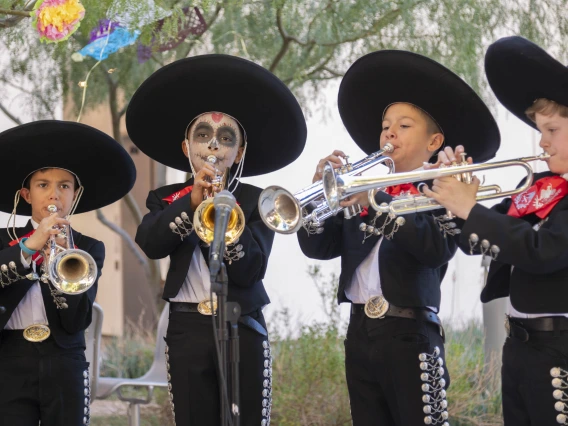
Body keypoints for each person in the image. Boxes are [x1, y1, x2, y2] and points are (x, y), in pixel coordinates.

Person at [298, 50, 500, 426]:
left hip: (412, 334)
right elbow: (319, 248)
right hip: (360, 332)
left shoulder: (441, 188)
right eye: (386, 125)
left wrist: (377, 202)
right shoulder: (362, 187)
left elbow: (436, 249)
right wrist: (318, 198)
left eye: (404, 126)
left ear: (433, 140)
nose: (390, 132)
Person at [126, 54, 307, 426]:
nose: (213, 147)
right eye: (203, 136)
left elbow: (251, 270)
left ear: (238, 152)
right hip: (186, 326)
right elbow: (151, 242)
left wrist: (226, 219)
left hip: (241, 324)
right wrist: (193, 202)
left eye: (225, 139)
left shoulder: (257, 200)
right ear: (186, 148)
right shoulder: (166, 197)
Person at [423, 36, 568, 426]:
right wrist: (449, 195)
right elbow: (481, 238)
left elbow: (543, 251)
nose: (542, 142)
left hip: (561, 349)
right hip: (519, 346)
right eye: (540, 130)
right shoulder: (538, 188)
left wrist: (469, 207)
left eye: (552, 129)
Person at [0, 120, 136, 426]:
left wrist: (59, 257)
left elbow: (78, 320)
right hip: (9, 359)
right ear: (26, 194)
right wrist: (30, 248)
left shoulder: (88, 248)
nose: (54, 195)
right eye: (43, 185)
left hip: (64, 360)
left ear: (74, 196)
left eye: (64, 186)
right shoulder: (2, 240)